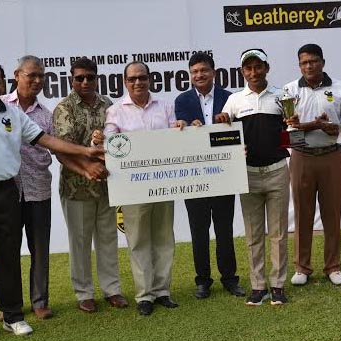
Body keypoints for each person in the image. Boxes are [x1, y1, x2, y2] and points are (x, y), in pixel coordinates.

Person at [0, 61, 106, 341]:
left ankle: (13, 315)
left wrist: (86, 151)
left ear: (4, 83)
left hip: (7, 192)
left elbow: (49, 141)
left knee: (8, 256)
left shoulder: (13, 114)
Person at [95, 61, 186, 316]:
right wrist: (101, 139)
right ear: (125, 82)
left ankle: (162, 291)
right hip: (133, 188)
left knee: (163, 238)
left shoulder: (166, 107)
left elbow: (175, 139)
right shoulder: (115, 112)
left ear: (149, 79)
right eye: (133, 78)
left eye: (142, 78)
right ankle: (144, 295)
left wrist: (181, 128)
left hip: (164, 184)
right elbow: (111, 141)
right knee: (137, 241)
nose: (138, 82)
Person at [53, 57, 128, 313]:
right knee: (80, 241)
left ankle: (112, 290)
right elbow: (61, 151)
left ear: (97, 78)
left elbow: (118, 142)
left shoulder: (108, 104)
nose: (85, 82)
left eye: (90, 77)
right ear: (71, 79)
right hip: (77, 187)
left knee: (108, 239)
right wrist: (87, 169)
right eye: (79, 78)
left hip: (108, 185)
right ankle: (84, 292)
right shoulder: (64, 108)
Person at [283, 44, 341, 287]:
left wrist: (334, 128)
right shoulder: (289, 90)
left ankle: (333, 266)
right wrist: (311, 125)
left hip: (331, 155)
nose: (309, 66)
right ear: (299, 65)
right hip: (301, 156)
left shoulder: (340, 88)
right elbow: (288, 128)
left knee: (331, 212)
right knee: (303, 213)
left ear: (323, 62)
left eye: (314, 61)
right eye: (304, 62)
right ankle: (302, 267)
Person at [218, 49, 290, 306]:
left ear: (266, 68)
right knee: (254, 234)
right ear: (242, 72)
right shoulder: (235, 101)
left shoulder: (283, 96)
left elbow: (292, 129)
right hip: (247, 174)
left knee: (279, 233)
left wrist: (294, 122)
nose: (253, 72)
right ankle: (258, 286)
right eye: (248, 68)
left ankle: (278, 285)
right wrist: (224, 120)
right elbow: (224, 136)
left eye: (258, 66)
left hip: (278, 170)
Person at [174, 53, 245, 299]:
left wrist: (227, 123)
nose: (199, 75)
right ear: (190, 75)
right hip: (194, 175)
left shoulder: (230, 98)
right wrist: (182, 126)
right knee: (198, 230)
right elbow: (178, 134)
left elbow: (239, 132)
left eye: (203, 70)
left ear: (213, 72)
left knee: (224, 228)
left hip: (224, 174)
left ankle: (230, 279)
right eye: (194, 72)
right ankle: (202, 281)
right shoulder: (182, 100)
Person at [0, 55, 54, 320]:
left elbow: (57, 150)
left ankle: (40, 301)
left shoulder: (46, 114)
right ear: (16, 75)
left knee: (40, 249)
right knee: (7, 249)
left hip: (38, 190)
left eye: (41, 76)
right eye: (31, 75)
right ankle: (10, 304)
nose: (36, 80)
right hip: (5, 192)